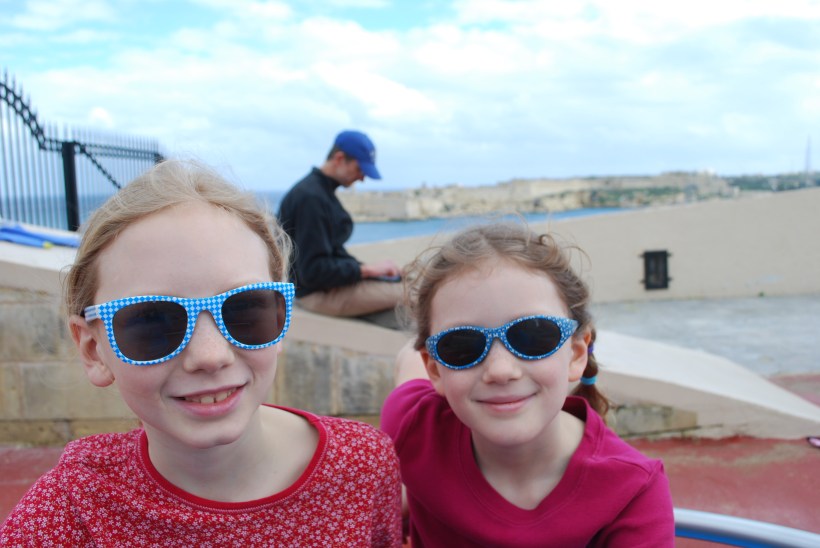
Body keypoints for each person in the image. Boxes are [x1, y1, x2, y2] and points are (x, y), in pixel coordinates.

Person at [0, 160, 402, 546]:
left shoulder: (363, 467)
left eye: (246, 309)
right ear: (93, 349)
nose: (210, 356)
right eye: (152, 321)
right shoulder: (69, 512)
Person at [381, 222, 675, 547]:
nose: (501, 370)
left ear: (576, 354)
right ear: (434, 370)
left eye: (534, 335)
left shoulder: (631, 489)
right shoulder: (416, 426)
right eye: (461, 344)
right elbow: (409, 358)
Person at [277, 130, 403, 323]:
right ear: (339, 158)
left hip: (326, 287)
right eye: (360, 169)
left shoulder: (318, 192)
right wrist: (368, 270)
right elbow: (313, 271)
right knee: (415, 293)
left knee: (415, 281)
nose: (362, 178)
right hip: (315, 294)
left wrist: (370, 271)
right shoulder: (311, 198)